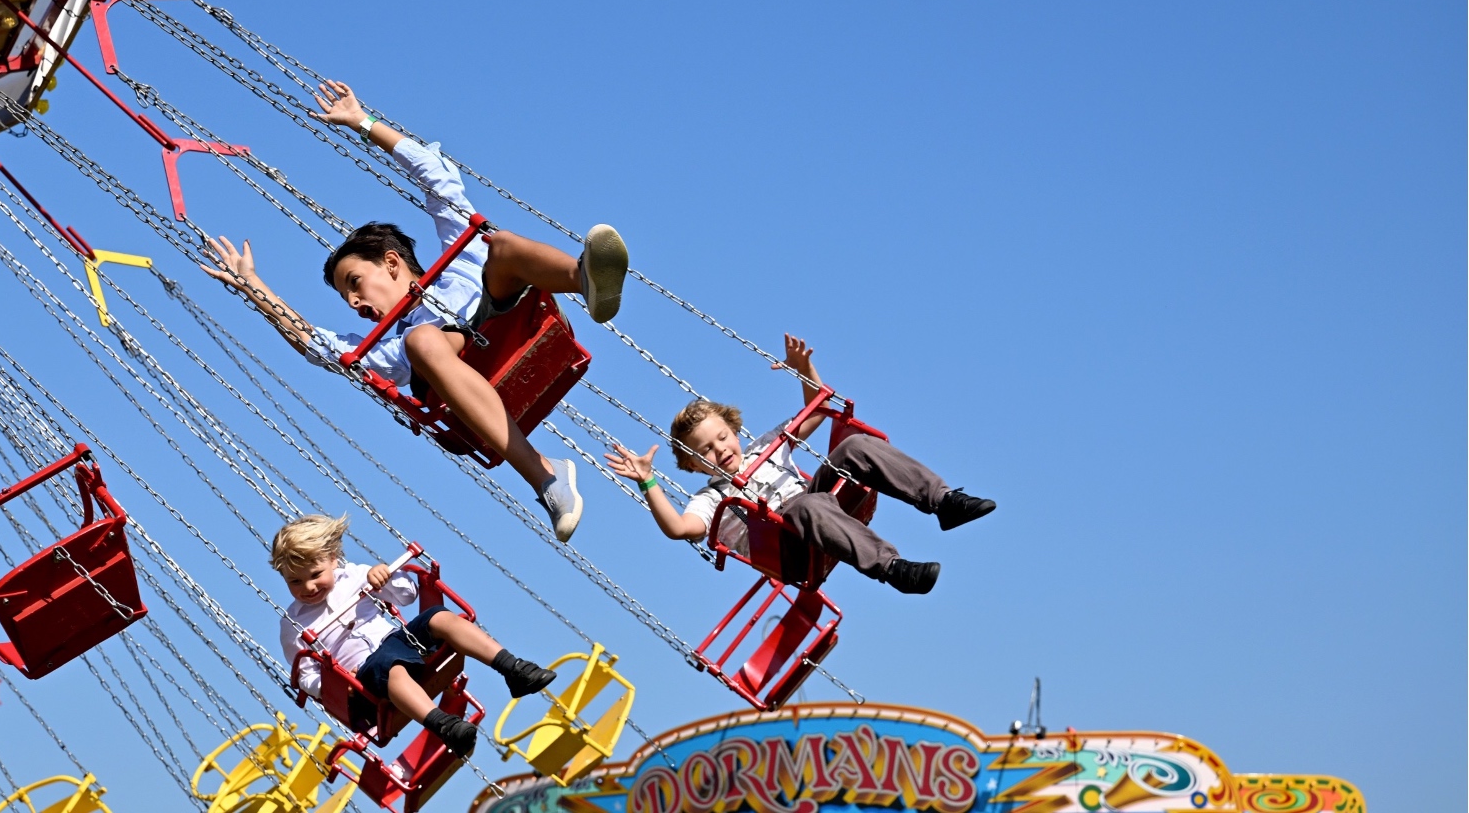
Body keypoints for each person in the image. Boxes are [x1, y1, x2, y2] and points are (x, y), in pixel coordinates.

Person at [200, 80, 628, 541]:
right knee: (421, 338)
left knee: (499, 246)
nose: (353, 302)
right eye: (346, 297)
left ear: (391, 262)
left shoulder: (458, 266)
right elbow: (312, 342)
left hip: (513, 318)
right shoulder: (388, 348)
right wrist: (253, 286)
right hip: (455, 366)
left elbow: (435, 176)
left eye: (354, 283)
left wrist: (364, 124)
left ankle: (587, 281)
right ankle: (544, 476)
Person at [603, 334, 996, 594]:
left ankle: (943, 501)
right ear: (693, 465)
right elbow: (679, 528)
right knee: (807, 505)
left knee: (855, 445)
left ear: (735, 430)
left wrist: (803, 370)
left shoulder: (763, 449)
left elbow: (816, 413)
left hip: (820, 508)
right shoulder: (710, 498)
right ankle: (893, 569)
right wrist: (648, 482)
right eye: (705, 450)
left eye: (722, 437)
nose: (720, 449)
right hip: (789, 547)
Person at [272, 513, 556, 758]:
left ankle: (513, 669)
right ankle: (444, 725)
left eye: (315, 574)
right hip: (362, 678)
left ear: (333, 560)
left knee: (439, 617)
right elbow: (305, 674)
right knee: (389, 668)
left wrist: (384, 577)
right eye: (294, 581)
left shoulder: (355, 576)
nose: (307, 587)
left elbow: (407, 596)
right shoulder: (293, 623)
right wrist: (335, 686)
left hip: (399, 643)